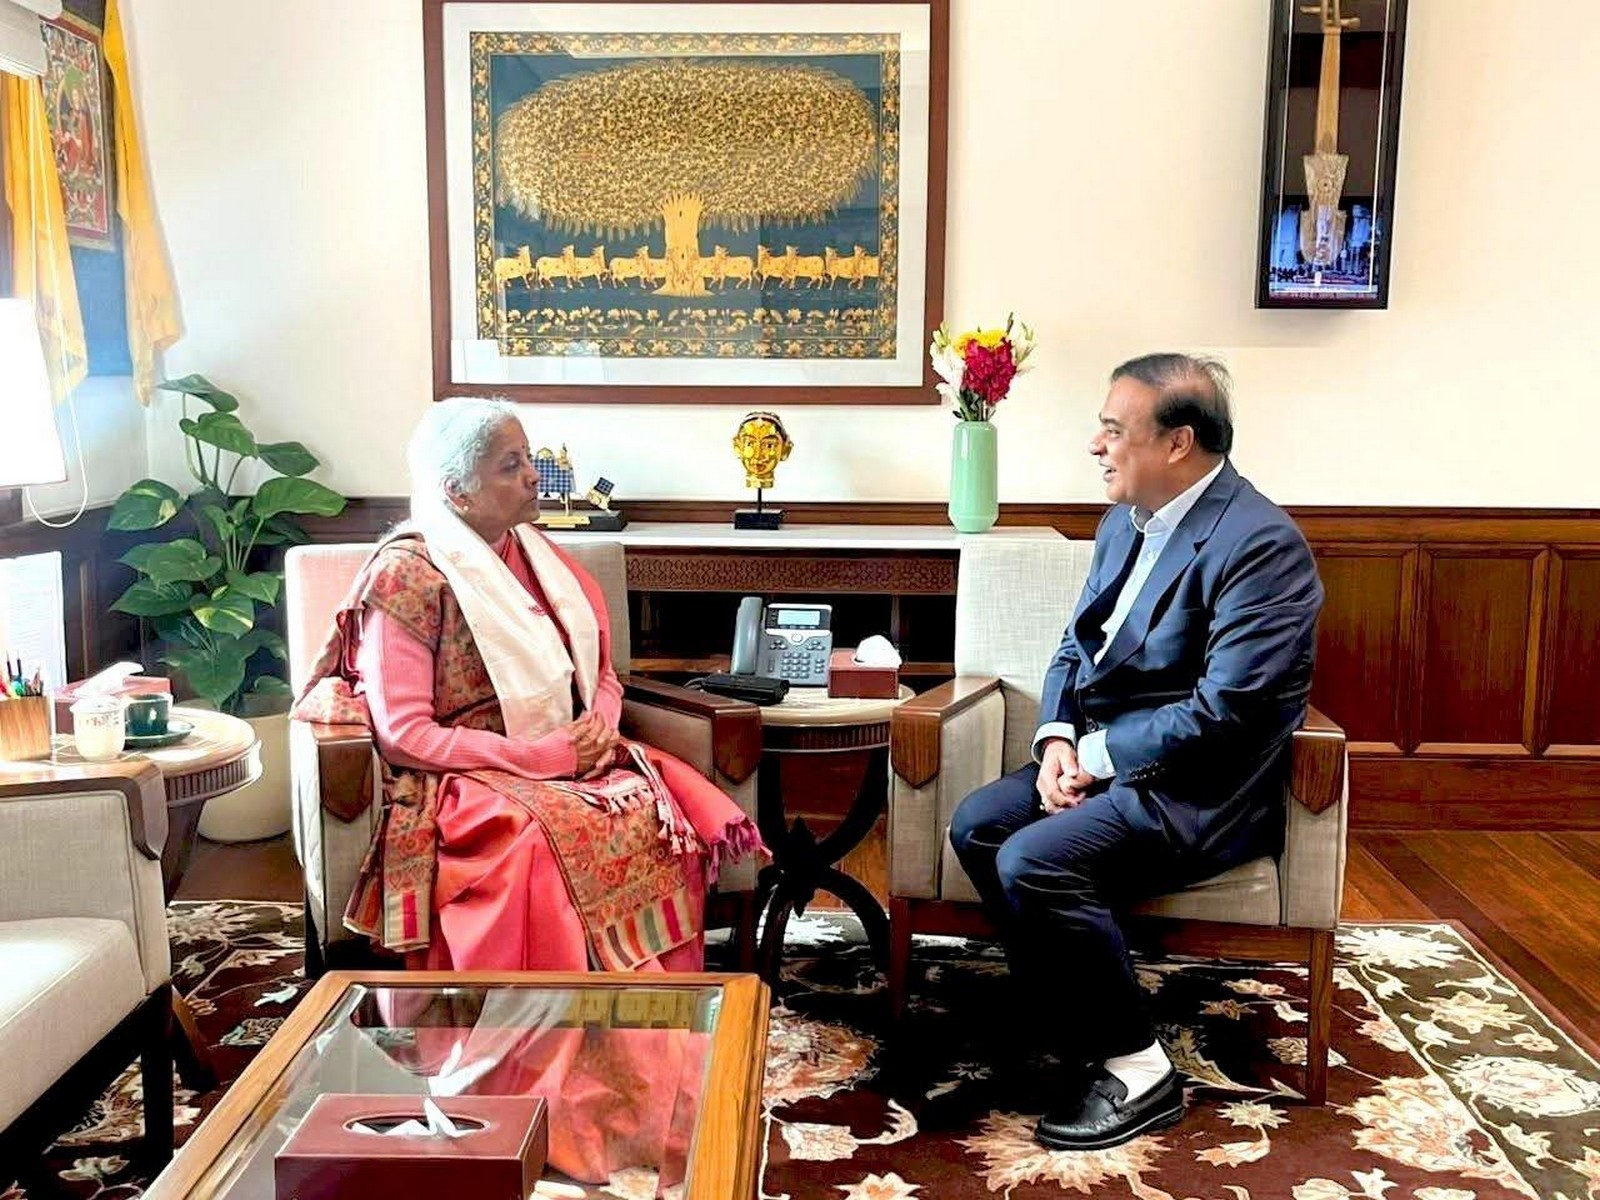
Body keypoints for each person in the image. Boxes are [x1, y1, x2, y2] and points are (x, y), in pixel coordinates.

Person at [947, 354, 1323, 1150]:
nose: (1096, 444)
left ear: (1178, 442)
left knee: (1035, 862)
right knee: (978, 824)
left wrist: (1097, 756)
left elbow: (1229, 711)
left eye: (1114, 430)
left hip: (1200, 788)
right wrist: (1054, 740)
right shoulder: (1125, 520)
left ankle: (1141, 1069)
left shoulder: (1262, 546)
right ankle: (1073, 1018)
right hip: (1104, 757)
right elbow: (1077, 647)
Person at [294, 397, 762, 975]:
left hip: (574, 753)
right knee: (534, 844)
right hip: (466, 775)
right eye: (510, 465)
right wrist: (538, 756)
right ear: (457, 491)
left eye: (528, 458)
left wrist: (601, 719)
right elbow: (403, 734)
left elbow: (605, 674)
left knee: (647, 812)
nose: (534, 476)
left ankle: (646, 1015)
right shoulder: (407, 575)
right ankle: (533, 1035)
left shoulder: (542, 557)